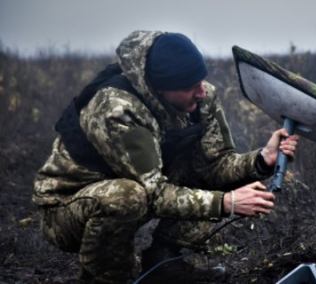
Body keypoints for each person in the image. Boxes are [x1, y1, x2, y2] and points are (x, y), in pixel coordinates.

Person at [33, 30, 299, 284]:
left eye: (201, 81)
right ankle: (104, 279)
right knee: (127, 196)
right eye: (190, 86)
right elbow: (154, 194)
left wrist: (262, 159)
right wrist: (227, 202)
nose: (202, 92)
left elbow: (216, 164)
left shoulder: (201, 99)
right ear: (160, 87)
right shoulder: (116, 108)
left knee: (198, 170)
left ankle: (167, 264)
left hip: (137, 191)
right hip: (67, 210)